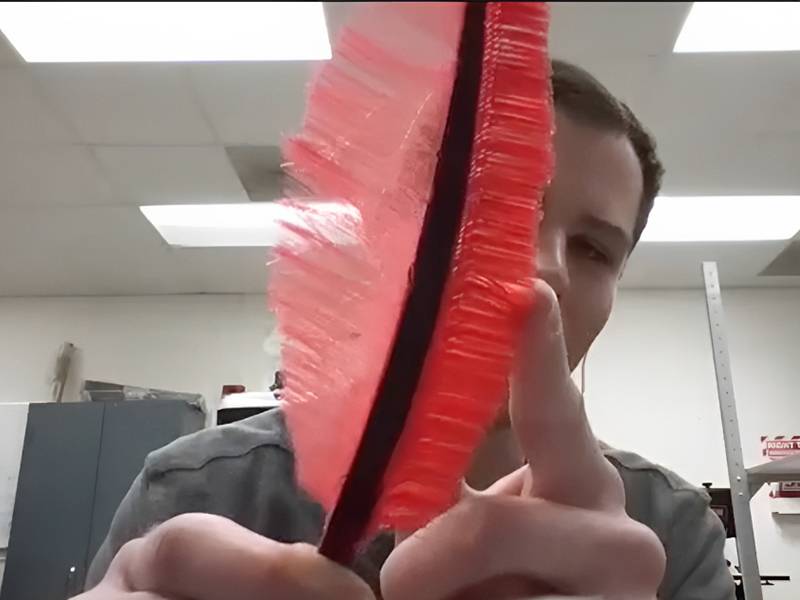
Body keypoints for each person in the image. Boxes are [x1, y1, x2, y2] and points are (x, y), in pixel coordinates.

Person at [77, 60, 735, 600]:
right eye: (495, 207)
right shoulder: (200, 488)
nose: (542, 268)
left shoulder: (672, 532)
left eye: (595, 250)